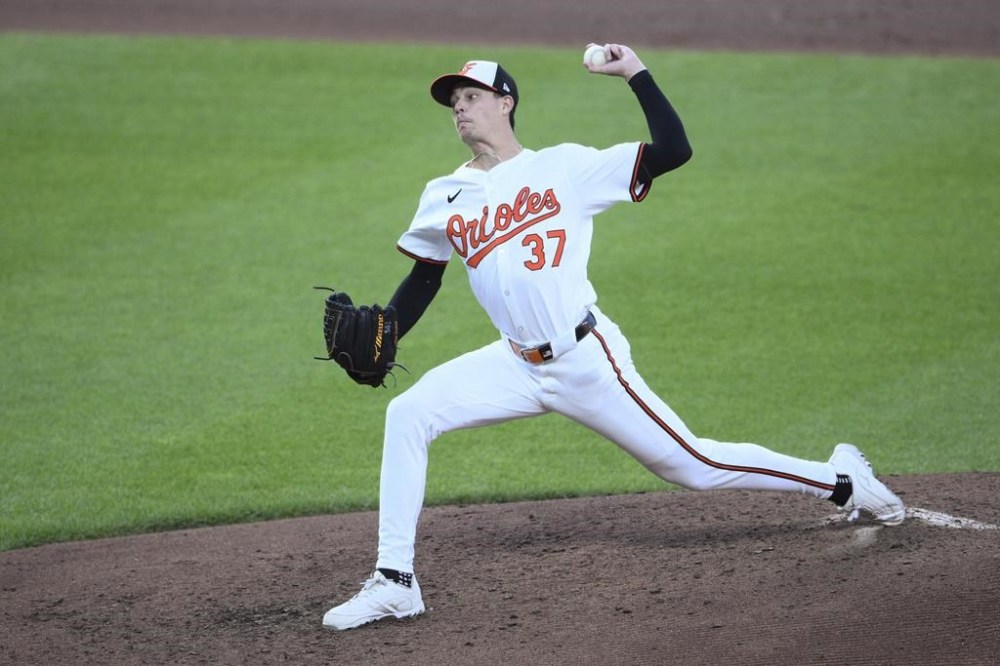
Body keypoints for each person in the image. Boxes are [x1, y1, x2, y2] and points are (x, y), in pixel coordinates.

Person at [321, 43, 905, 631]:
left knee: (693, 465)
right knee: (408, 413)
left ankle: (841, 480)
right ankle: (395, 582)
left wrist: (635, 73)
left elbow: (674, 150)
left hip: (585, 361)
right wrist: (389, 331)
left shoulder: (565, 168)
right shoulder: (444, 193)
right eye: (453, 102)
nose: (459, 109)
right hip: (512, 365)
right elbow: (425, 276)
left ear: (506, 103)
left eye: (471, 97)